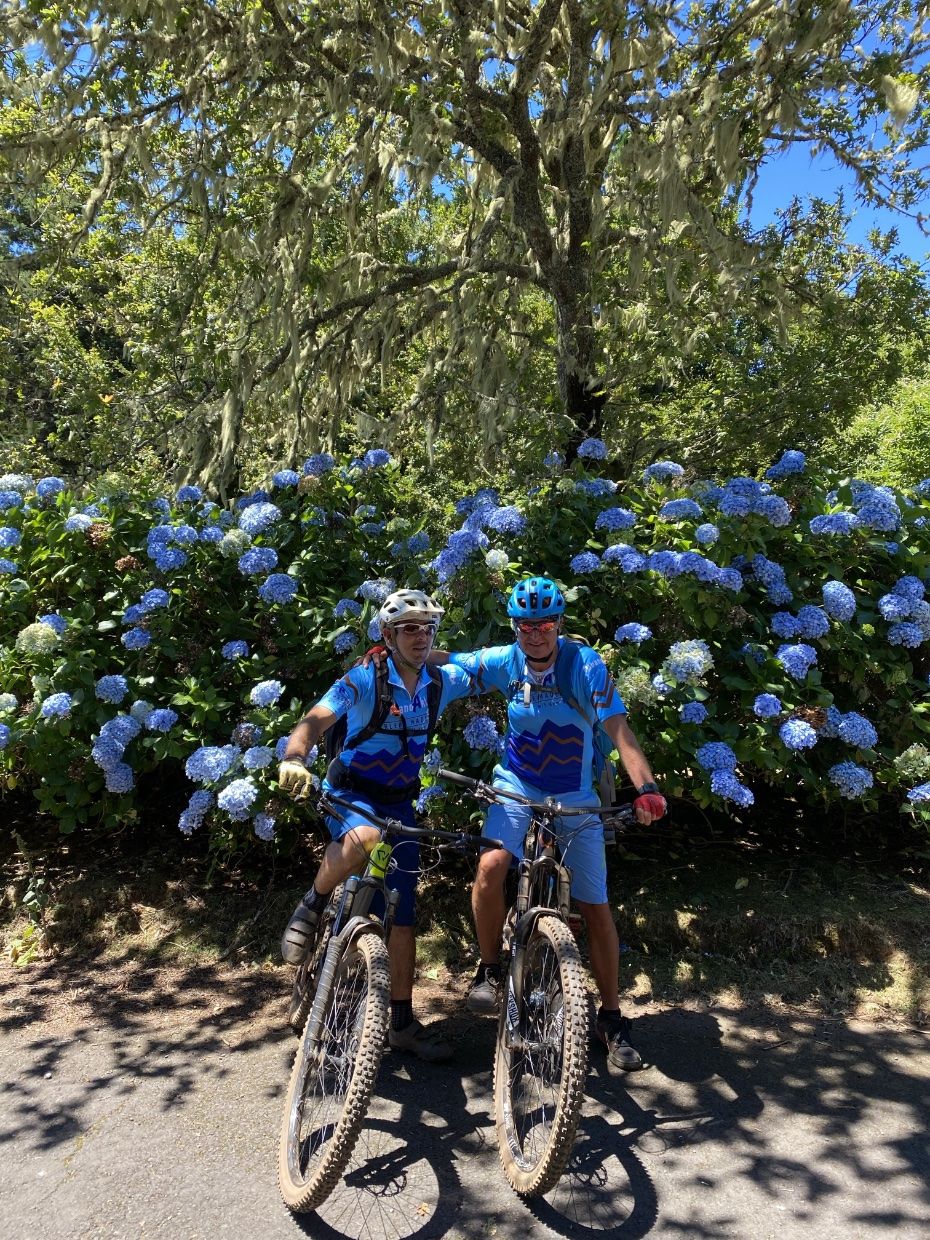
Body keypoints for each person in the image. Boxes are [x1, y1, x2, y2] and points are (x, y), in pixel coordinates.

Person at [432, 575, 666, 1071]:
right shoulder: (506, 661)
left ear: (559, 624)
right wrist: (395, 652)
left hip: (575, 792)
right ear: (514, 626)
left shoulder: (584, 665)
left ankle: (610, 1015)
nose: (535, 633)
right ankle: (491, 969)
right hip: (515, 785)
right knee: (492, 867)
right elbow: (449, 662)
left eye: (545, 623)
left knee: (595, 903)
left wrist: (645, 789)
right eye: (525, 625)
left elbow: (618, 731)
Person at [277, 587, 477, 1062]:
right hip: (352, 793)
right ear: (387, 634)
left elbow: (487, 664)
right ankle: (314, 900)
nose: (420, 638)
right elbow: (314, 721)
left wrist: (549, 646)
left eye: (427, 629)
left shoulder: (438, 681)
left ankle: (402, 1021)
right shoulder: (363, 678)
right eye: (409, 629)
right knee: (364, 837)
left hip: (400, 804)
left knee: (403, 916)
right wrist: (293, 757)